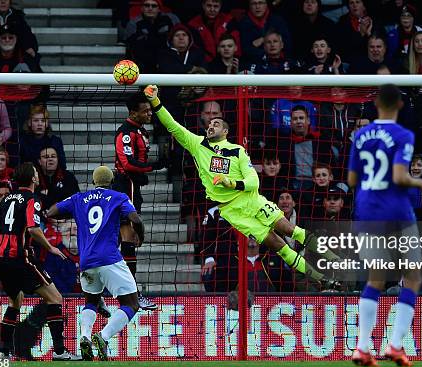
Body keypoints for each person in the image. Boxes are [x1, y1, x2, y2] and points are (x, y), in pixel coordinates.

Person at [144, 84, 338, 289]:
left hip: (251, 200)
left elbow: (254, 181)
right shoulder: (197, 145)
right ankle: (322, 278)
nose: (211, 125)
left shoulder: (237, 151)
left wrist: (230, 182)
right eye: (210, 123)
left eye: (216, 123)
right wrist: (155, 101)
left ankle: (334, 259)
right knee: (280, 247)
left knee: (291, 230)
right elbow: (172, 126)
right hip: (232, 211)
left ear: (225, 131)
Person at [347, 84, 422, 367]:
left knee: (376, 277)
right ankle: (395, 345)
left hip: (367, 210)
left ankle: (361, 347)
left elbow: (351, 180)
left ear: (375, 104)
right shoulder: (403, 134)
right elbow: (398, 175)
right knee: (413, 276)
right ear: (399, 105)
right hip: (396, 212)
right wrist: (421, 183)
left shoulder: (359, 135)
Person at [47, 166, 145, 361]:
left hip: (86, 261)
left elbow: (51, 211)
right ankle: (104, 336)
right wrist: (140, 236)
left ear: (93, 182)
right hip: (110, 259)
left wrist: (75, 213)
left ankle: (84, 337)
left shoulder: (78, 199)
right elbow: (136, 219)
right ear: (111, 181)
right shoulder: (119, 197)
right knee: (132, 303)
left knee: (91, 301)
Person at [0, 162, 80, 360]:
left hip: (2, 258)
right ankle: (59, 351)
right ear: (32, 178)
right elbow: (33, 229)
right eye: (36, 173)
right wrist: (51, 248)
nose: (38, 176)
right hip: (22, 258)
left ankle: (4, 352)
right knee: (55, 298)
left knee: (16, 301)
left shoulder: (6, 199)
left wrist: (8, 238)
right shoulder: (32, 199)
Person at [113, 92, 162, 311]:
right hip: (126, 186)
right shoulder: (126, 133)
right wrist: (154, 166)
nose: (149, 113)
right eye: (145, 110)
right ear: (133, 113)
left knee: (124, 240)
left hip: (134, 186)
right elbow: (128, 163)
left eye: (150, 110)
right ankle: (131, 293)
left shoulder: (140, 131)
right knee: (129, 238)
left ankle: (121, 290)